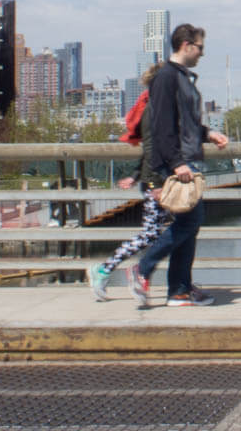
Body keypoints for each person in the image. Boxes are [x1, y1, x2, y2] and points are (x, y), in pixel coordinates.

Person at [89, 23, 228, 306]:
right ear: (186, 45)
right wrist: (175, 163)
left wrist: (207, 133)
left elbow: (183, 124)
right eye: (200, 47)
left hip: (184, 161)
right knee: (190, 223)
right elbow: (162, 126)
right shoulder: (166, 77)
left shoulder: (180, 78)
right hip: (173, 166)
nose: (202, 53)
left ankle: (179, 290)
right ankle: (143, 269)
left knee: (189, 226)